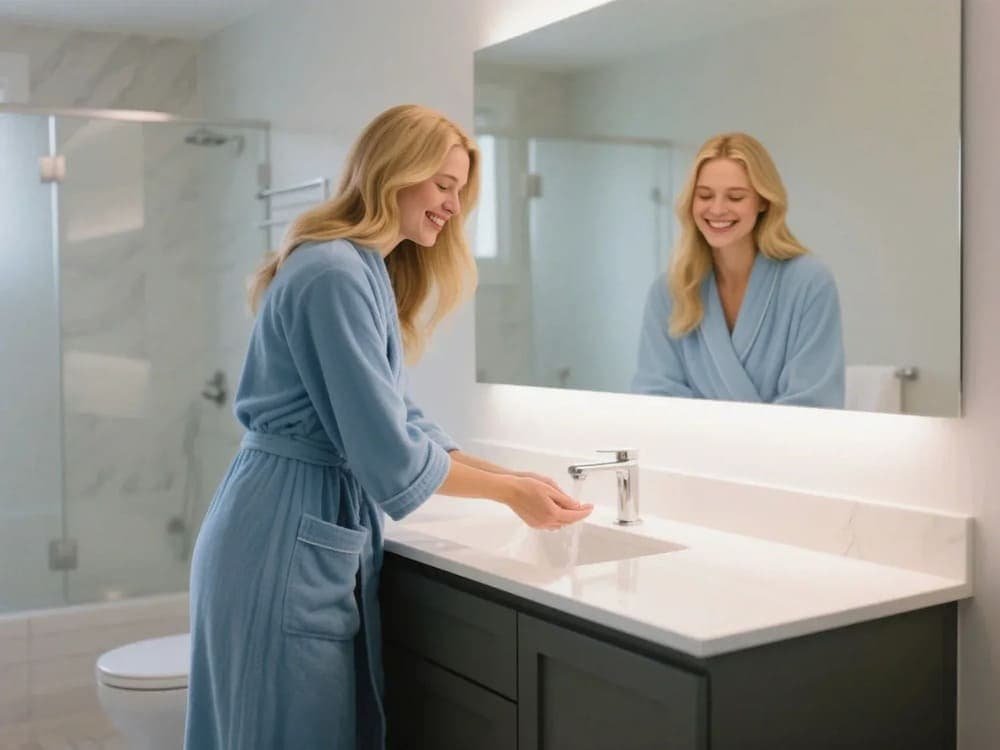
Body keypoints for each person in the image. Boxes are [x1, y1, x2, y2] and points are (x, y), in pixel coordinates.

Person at [184, 104, 592, 749]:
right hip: (279, 532)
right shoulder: (333, 273)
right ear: (394, 172)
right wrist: (512, 495)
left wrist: (510, 474)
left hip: (296, 519)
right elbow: (390, 458)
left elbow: (401, 417)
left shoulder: (362, 268)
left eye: (460, 191)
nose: (454, 206)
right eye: (444, 185)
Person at [630, 132, 845, 407]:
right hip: (690, 450)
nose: (717, 209)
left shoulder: (809, 283)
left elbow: (813, 402)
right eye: (705, 195)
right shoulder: (670, 291)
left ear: (763, 201)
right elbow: (655, 397)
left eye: (735, 197)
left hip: (784, 450)